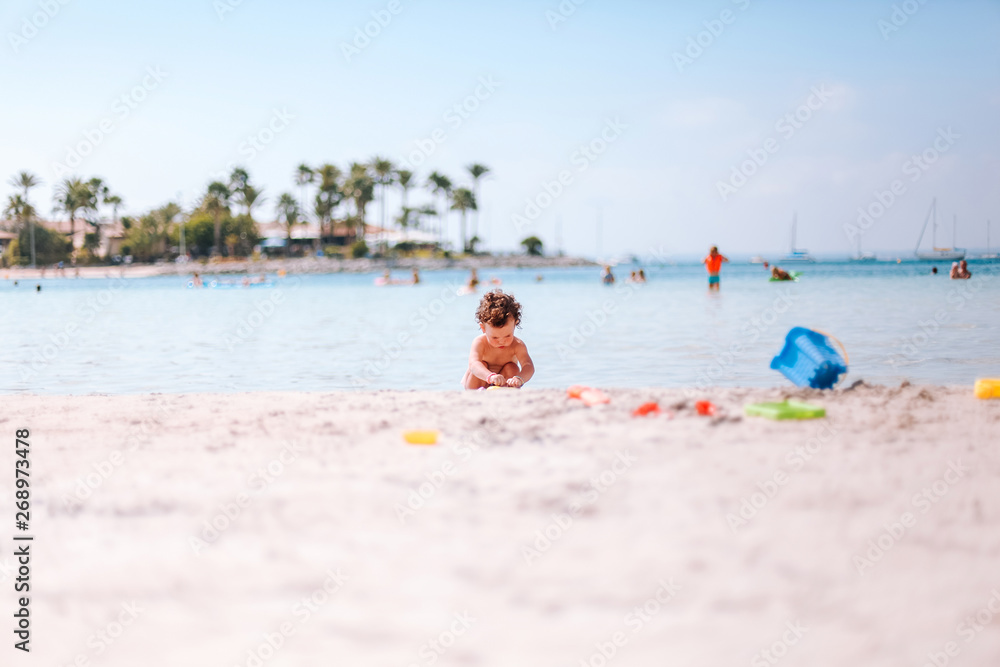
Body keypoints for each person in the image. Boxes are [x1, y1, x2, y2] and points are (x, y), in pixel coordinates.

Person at [462, 290, 535, 390]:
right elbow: (473, 364)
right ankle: (476, 393)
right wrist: (490, 377)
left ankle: (508, 391)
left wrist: (519, 378)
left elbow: (528, 366)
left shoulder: (517, 345)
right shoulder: (480, 342)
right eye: (495, 337)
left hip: (502, 383)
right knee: (481, 364)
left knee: (512, 367)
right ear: (483, 328)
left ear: (515, 324)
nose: (501, 341)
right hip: (479, 383)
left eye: (507, 335)